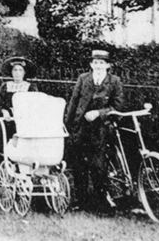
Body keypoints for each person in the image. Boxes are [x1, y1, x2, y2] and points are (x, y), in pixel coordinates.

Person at [64, 49, 125, 212]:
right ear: (91, 64)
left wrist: (99, 113)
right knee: (79, 166)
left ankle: (100, 202)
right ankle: (81, 201)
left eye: (101, 63)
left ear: (108, 65)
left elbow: (118, 107)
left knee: (99, 166)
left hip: (101, 130)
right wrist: (67, 125)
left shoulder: (114, 81)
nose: (98, 66)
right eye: (95, 62)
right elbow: (73, 102)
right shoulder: (83, 79)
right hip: (81, 128)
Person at [0, 56, 39, 160]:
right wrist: (4, 111)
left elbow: (35, 106)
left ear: (24, 73)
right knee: (8, 142)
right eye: (15, 70)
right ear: (11, 72)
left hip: (25, 122)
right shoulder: (5, 86)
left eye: (20, 70)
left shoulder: (30, 87)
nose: (17, 73)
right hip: (9, 122)